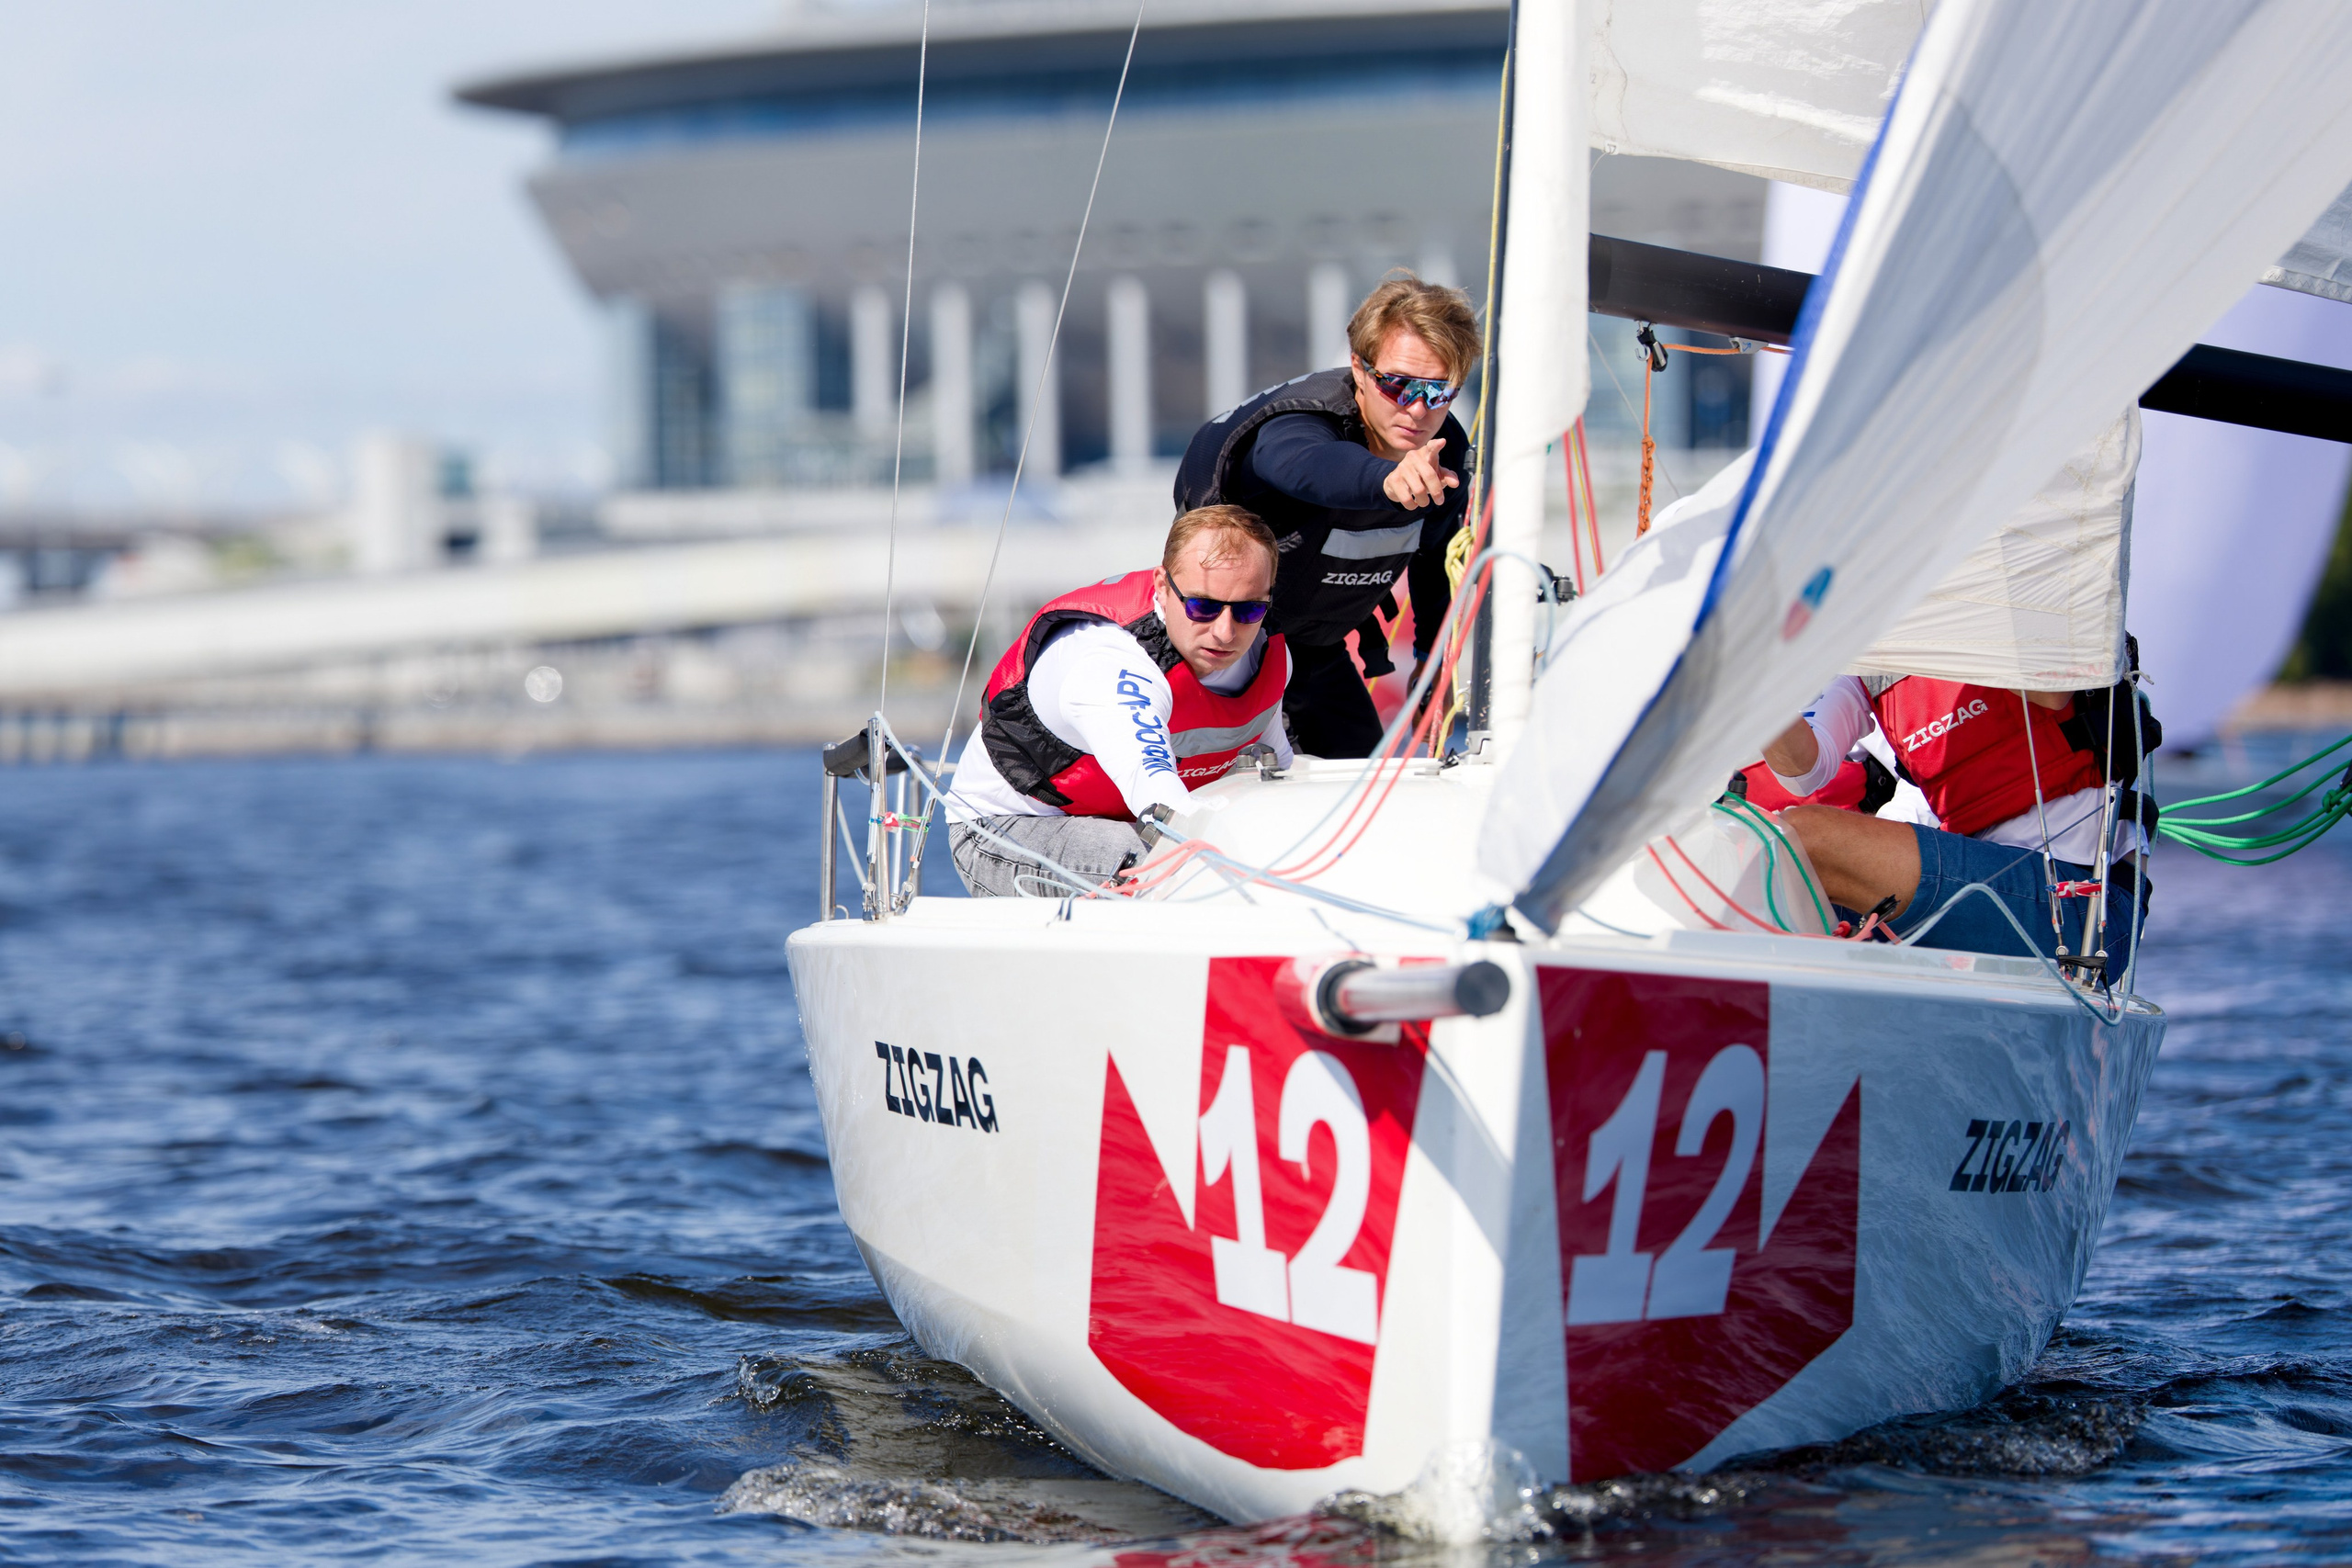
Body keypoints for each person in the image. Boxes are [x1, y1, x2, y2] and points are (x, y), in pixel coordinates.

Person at [1174, 273, 1479, 758]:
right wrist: (1387, 481)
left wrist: (1429, 657)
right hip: (1225, 654)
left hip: (1317, 652)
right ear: (1359, 369)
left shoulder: (1445, 450)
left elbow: (1435, 556)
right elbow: (1303, 465)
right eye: (1399, 384)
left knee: (1362, 793)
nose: (1419, 410)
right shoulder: (1301, 425)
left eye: (1439, 391)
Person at [944, 504, 1291, 897]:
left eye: (1249, 609)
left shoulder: (1266, 655)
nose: (1225, 633)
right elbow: (1160, 800)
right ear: (1163, 586)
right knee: (1161, 865)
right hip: (1005, 829)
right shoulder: (1110, 664)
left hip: (1124, 816)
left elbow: (1279, 770)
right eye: (1203, 607)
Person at [1758, 661, 2160, 965]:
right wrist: (1752, 682)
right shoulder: (1876, 659)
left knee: (1808, 840)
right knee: (1767, 868)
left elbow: (2054, 692)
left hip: (2082, 909)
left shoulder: (2010, 606)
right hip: (1996, 890)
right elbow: (1804, 772)